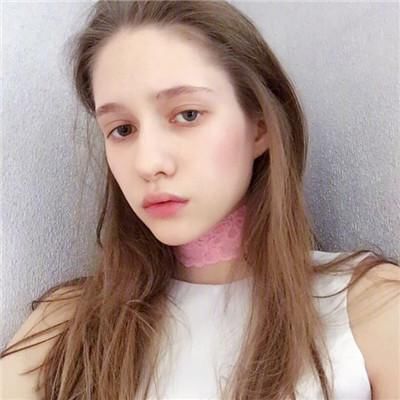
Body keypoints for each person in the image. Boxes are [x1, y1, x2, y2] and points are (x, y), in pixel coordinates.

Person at [1, 1, 399, 399]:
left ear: (260, 127)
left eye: (188, 114)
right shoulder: (64, 327)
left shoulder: (371, 306)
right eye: (122, 129)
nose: (148, 163)